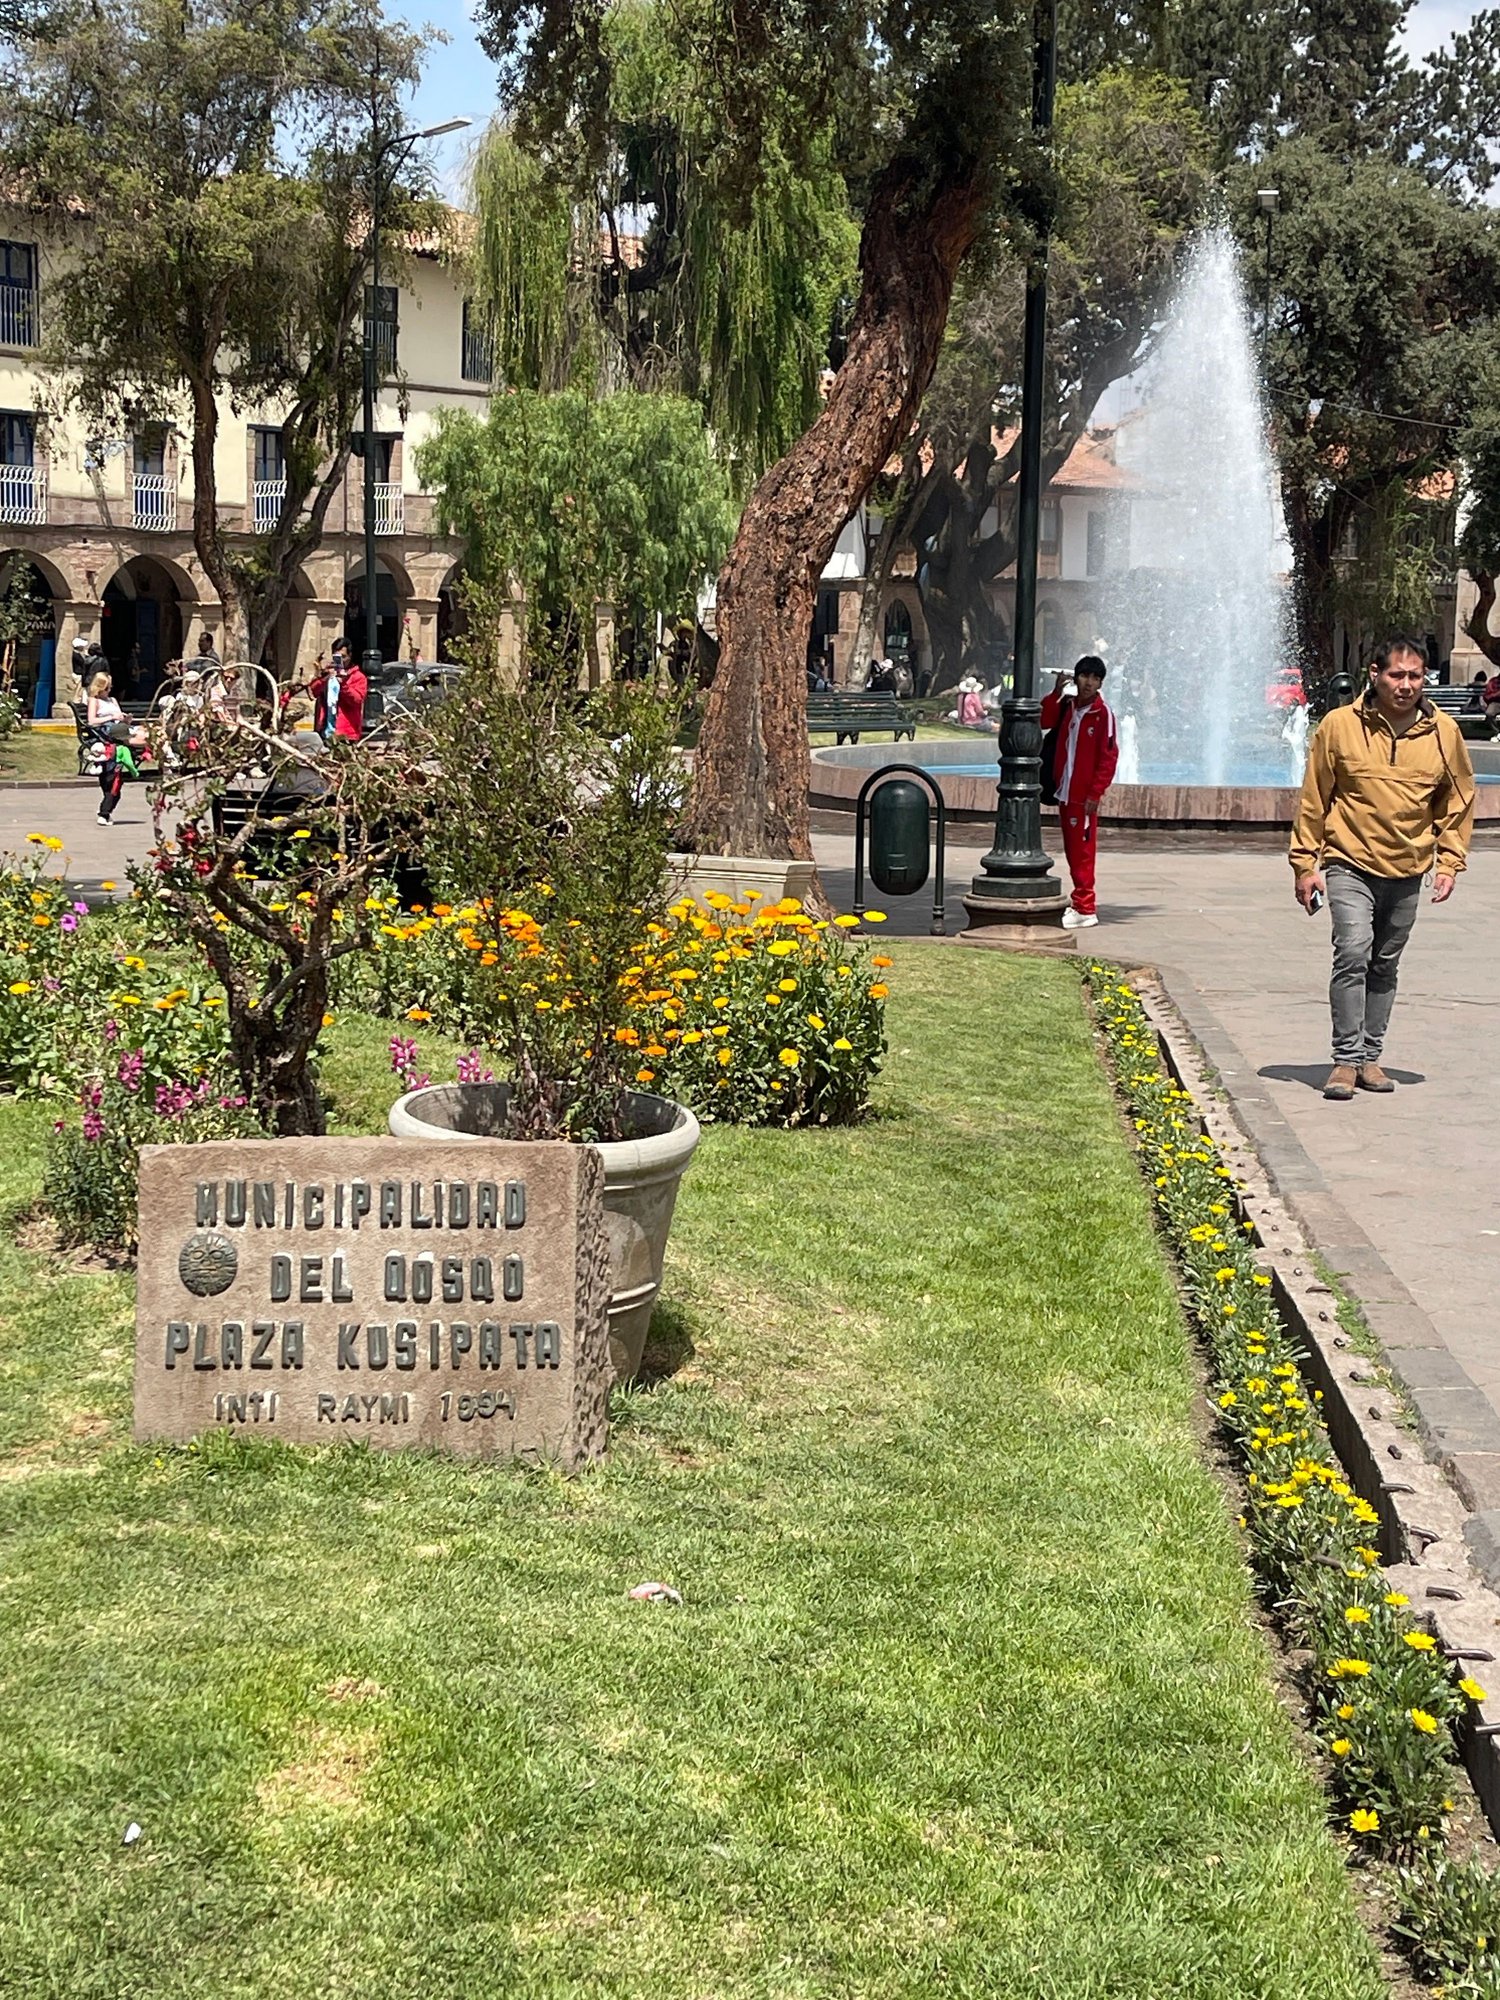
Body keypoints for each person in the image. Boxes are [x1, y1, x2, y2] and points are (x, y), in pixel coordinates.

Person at [1289, 635, 1475, 1101]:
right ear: (1375, 675)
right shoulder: (1339, 726)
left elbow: (1457, 802)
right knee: (1353, 951)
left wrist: (1450, 861)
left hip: (1408, 867)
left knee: (1384, 964)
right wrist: (1304, 864)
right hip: (1348, 861)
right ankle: (1345, 1061)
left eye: (1416, 676)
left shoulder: (1443, 734)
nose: (1407, 685)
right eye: (1397, 674)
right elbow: (1315, 798)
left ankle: (1371, 1057)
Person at [1041, 655, 1119, 931]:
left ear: (1100, 683)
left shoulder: (1103, 714)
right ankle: (1080, 904)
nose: (1089, 682)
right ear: (1076, 678)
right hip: (1065, 791)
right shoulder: (1068, 707)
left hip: (1082, 796)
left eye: (1095, 678)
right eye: (1084, 676)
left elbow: (1109, 757)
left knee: (1082, 851)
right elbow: (1043, 719)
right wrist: (1055, 692)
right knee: (1074, 850)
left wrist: (1095, 793)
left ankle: (1085, 907)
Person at [86, 669, 149, 825]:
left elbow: (120, 719)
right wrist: (111, 717)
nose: (108, 691)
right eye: (106, 688)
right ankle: (138, 747)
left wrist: (125, 719)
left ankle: (154, 750)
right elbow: (92, 721)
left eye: (109, 688)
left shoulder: (113, 700)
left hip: (119, 728)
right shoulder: (95, 701)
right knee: (113, 784)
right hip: (106, 729)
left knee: (146, 732)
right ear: (99, 688)